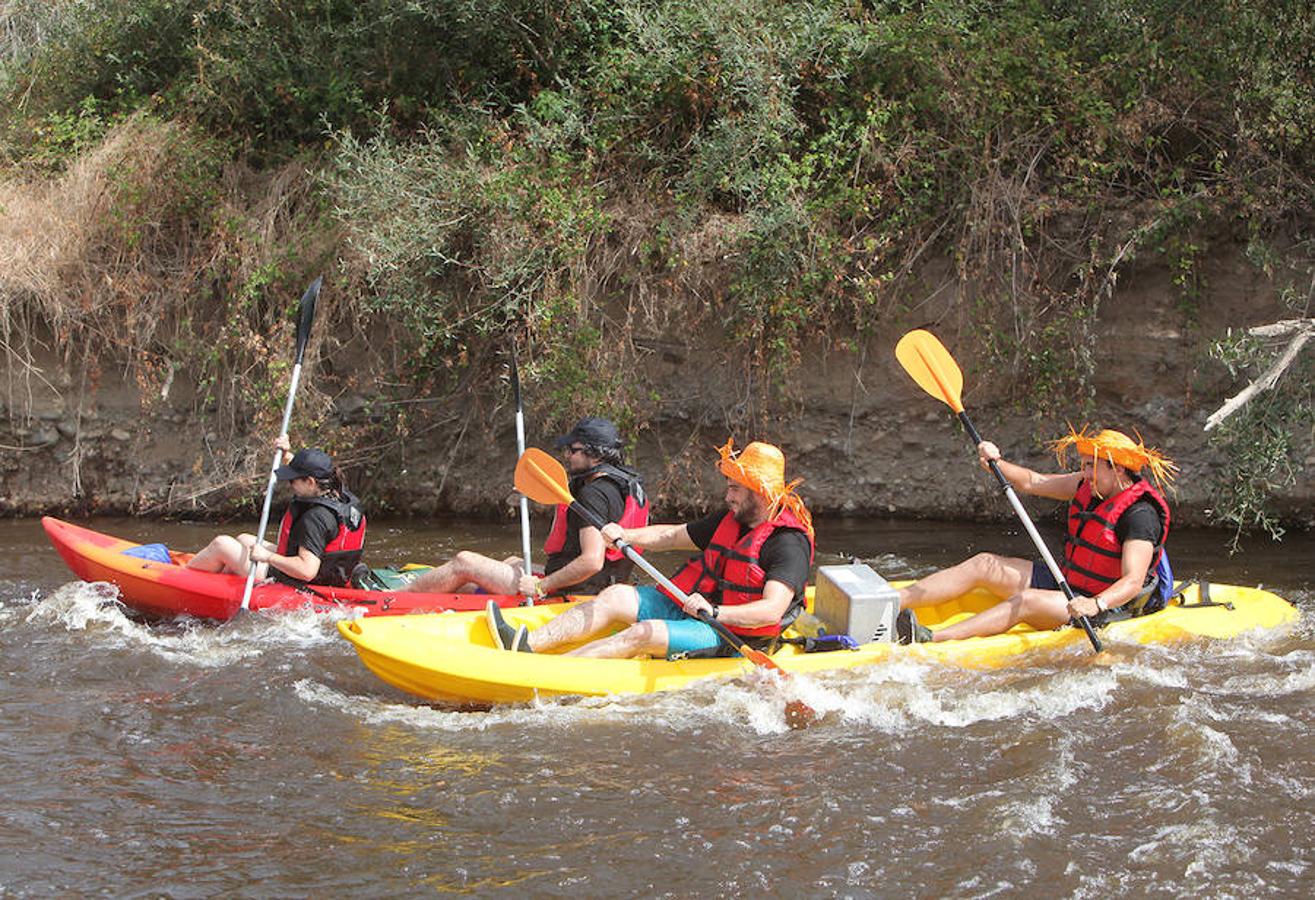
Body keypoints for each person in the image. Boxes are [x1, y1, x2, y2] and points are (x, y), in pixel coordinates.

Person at [485, 438, 814, 659]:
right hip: (693, 608)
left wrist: (716, 613)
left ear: (760, 493)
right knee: (614, 596)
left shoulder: (787, 542)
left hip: (732, 634)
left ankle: (553, 670)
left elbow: (771, 610)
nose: (728, 496)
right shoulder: (731, 519)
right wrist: (625, 534)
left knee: (644, 632)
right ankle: (526, 644)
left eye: (735, 488)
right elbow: (671, 537)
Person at [895, 426, 1175, 644]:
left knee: (1026, 600)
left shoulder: (1140, 515)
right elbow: (1032, 481)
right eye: (1085, 464)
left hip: (1105, 607)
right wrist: (996, 463)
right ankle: (893, 598)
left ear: (1118, 469)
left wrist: (1095, 604)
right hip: (1069, 583)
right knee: (985, 564)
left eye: (1092, 466)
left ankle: (932, 638)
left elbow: (1133, 581)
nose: (1085, 472)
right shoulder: (1088, 486)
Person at [403, 416, 649, 597]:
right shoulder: (619, 485)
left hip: (578, 589)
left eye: (573, 450)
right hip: (606, 582)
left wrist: (542, 586)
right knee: (511, 562)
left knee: (464, 562)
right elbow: (577, 509)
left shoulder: (593, 494)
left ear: (595, 455)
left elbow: (591, 561)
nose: (567, 456)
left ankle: (398, 597)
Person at [186, 435, 367, 588]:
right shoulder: (337, 492)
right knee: (244, 539)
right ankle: (218, 580)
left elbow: (306, 570)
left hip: (298, 581)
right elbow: (309, 471)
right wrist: (287, 454)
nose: (290, 484)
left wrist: (267, 557)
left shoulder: (315, 518)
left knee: (221, 544)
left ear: (311, 482)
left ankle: (183, 577)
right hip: (328, 572)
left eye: (293, 480)